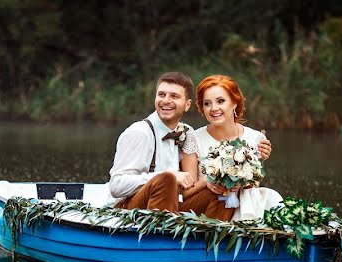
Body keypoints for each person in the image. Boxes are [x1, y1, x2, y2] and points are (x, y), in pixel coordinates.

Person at [108, 72, 270, 218]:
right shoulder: (140, 133)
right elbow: (116, 186)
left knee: (221, 189)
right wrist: (168, 175)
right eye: (161, 94)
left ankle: (208, 242)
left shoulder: (185, 132)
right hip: (129, 211)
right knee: (166, 179)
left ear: (187, 105)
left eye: (174, 96)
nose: (166, 100)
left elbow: (190, 185)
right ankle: (161, 241)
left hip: (171, 207)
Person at [180, 74, 280, 221]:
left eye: (220, 101)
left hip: (244, 205)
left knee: (271, 200)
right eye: (207, 103)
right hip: (204, 208)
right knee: (221, 196)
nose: (214, 108)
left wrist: (240, 183)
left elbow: (255, 185)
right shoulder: (193, 138)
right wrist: (208, 182)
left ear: (234, 102)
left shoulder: (256, 139)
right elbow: (185, 193)